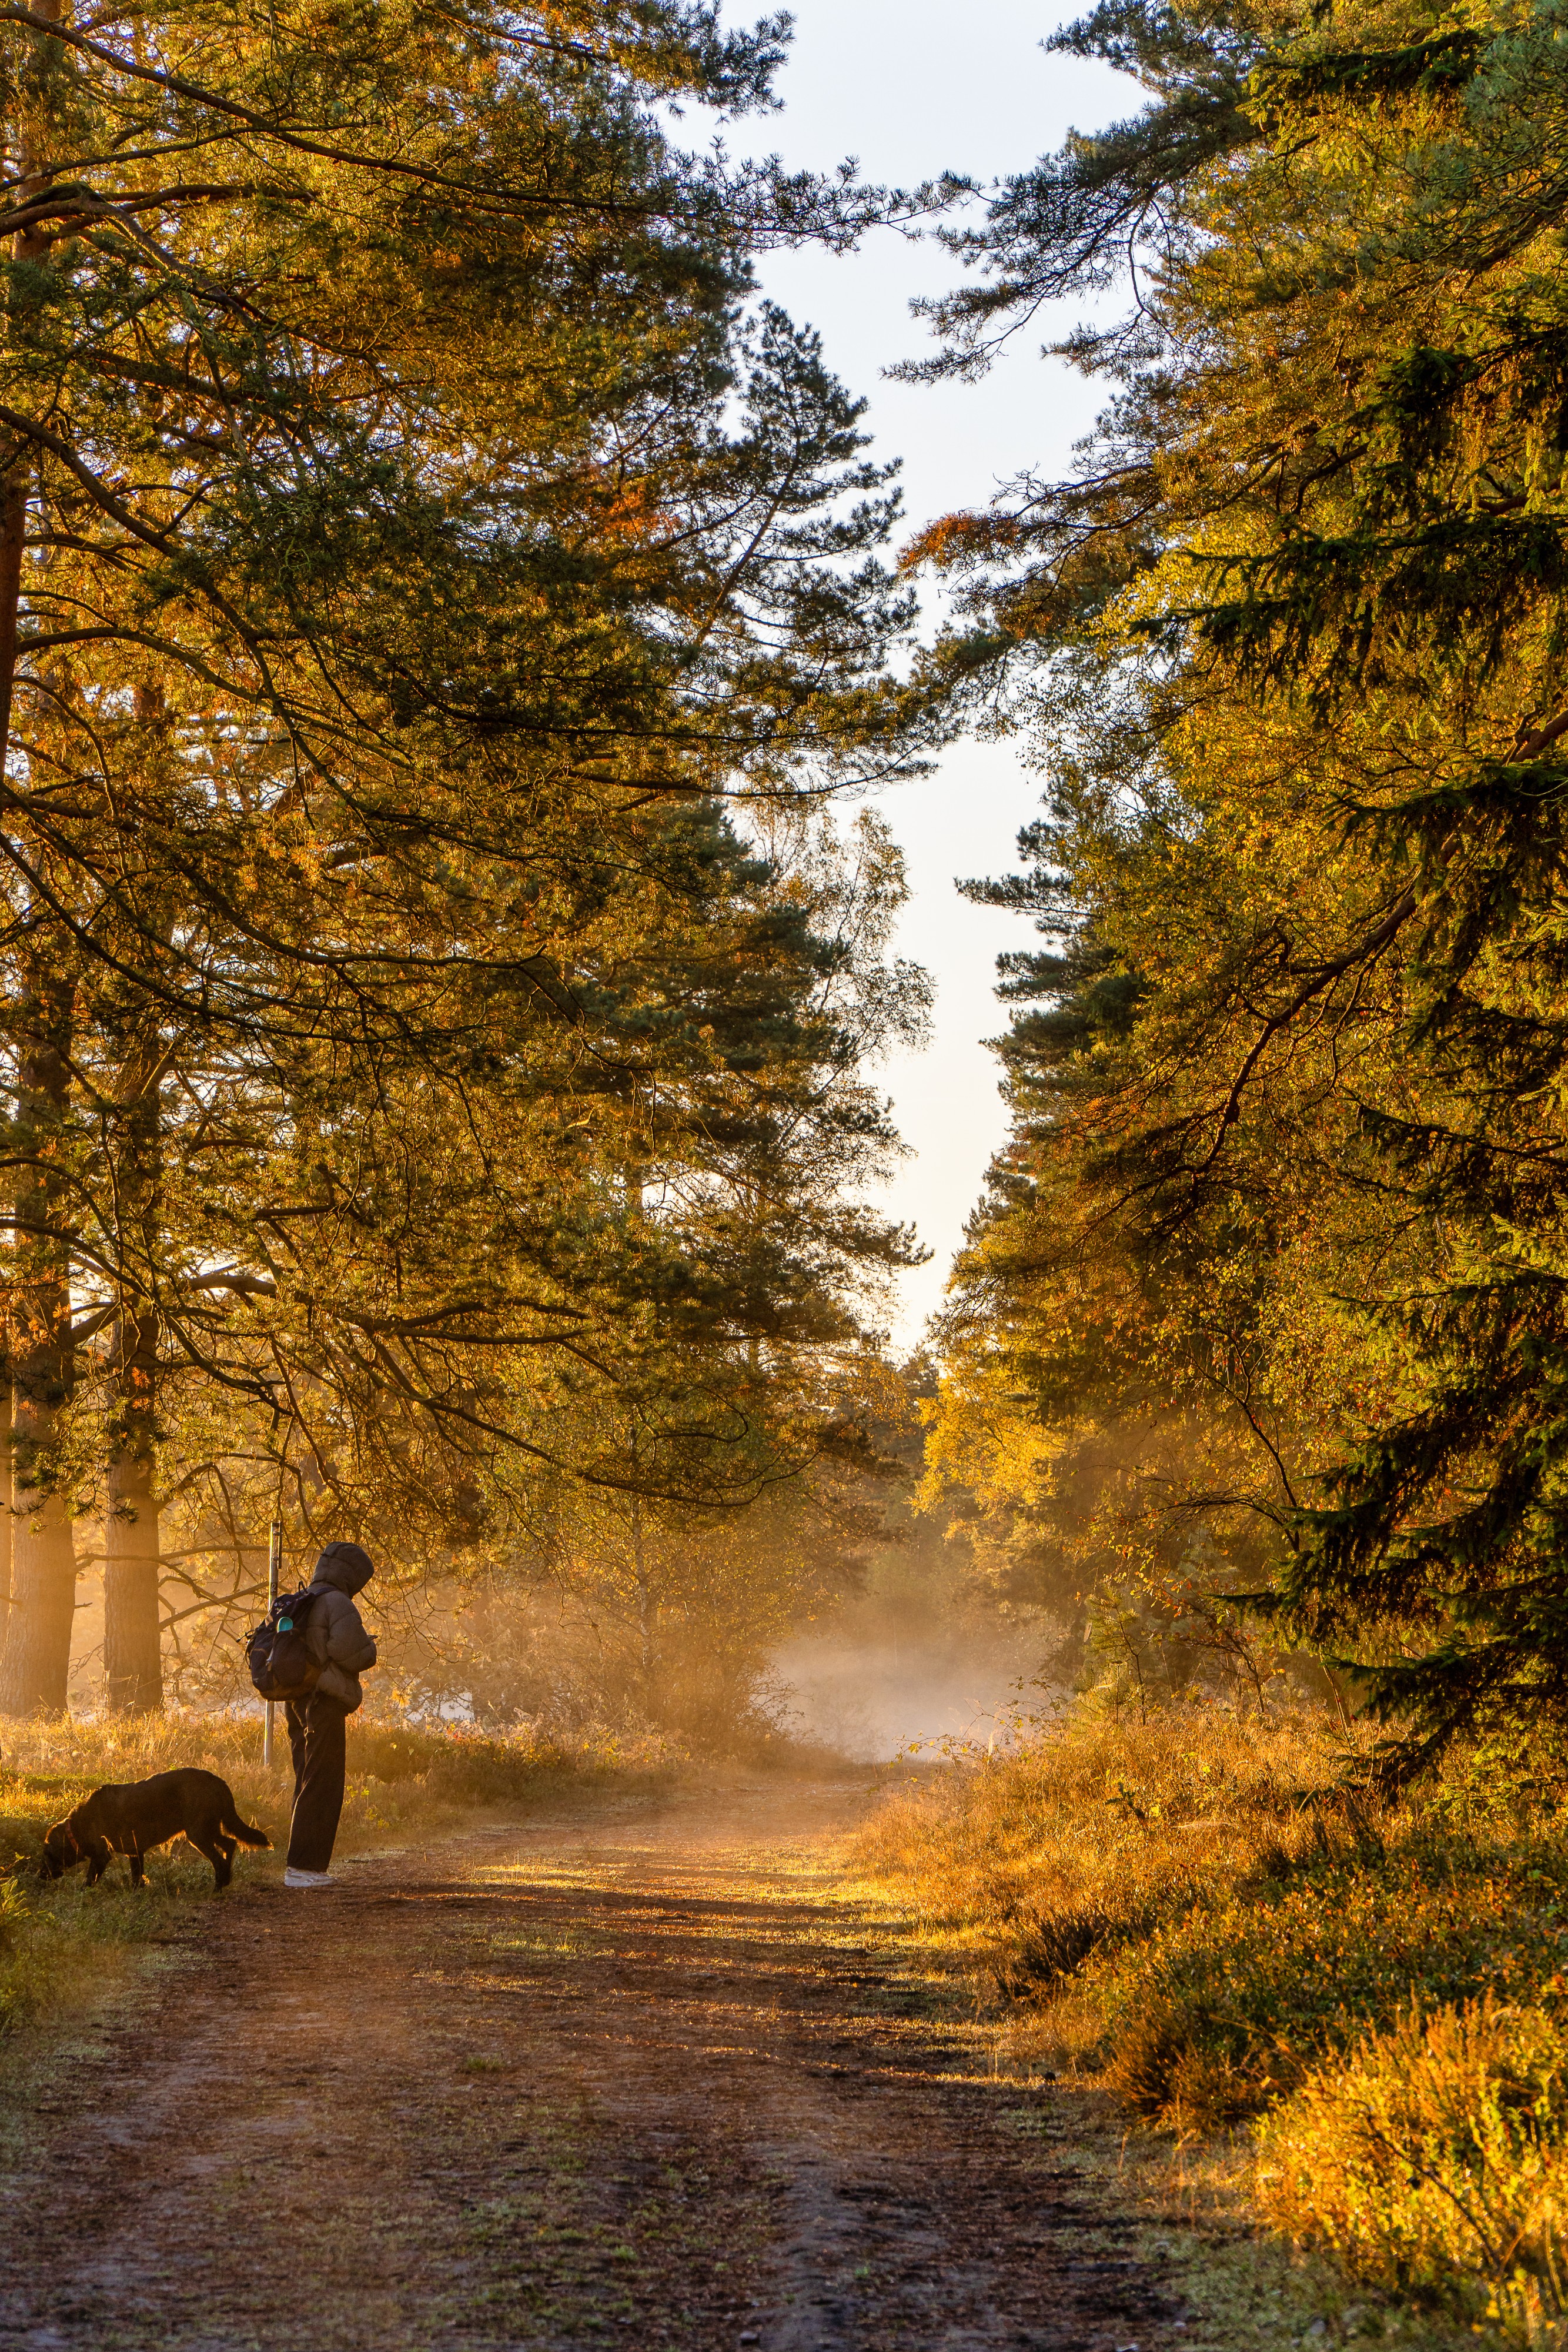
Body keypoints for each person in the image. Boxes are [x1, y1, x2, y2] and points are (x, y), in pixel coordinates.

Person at [284, 1541, 377, 1889]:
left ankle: (300, 1866)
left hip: (296, 1699)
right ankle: (305, 1869)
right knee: (324, 1782)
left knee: (306, 1777)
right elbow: (353, 1654)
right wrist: (371, 1646)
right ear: (350, 1576)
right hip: (324, 1699)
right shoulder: (337, 1602)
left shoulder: (302, 1599)